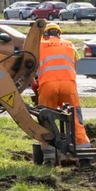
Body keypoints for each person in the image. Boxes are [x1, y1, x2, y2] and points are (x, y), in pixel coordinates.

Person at [32, 22, 90, 155]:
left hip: (47, 85)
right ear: (59, 34)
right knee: (75, 117)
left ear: (45, 34)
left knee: (46, 119)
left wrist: (34, 83)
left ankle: (49, 154)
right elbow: (74, 64)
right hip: (69, 85)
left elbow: (31, 67)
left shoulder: (40, 45)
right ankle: (83, 149)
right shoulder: (69, 44)